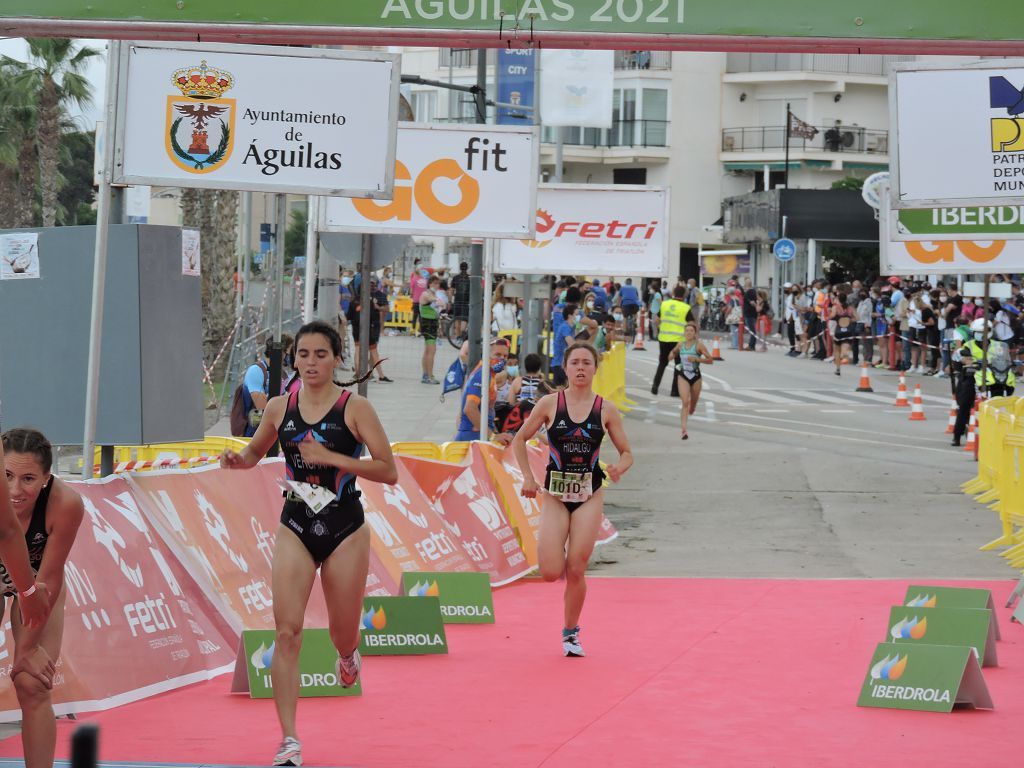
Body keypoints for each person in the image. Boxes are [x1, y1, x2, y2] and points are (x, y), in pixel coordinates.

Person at [220, 321, 398, 768]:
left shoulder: (354, 408)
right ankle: (289, 740)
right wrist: (237, 460)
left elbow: (388, 470)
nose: (312, 362)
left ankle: (347, 653)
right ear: (294, 359)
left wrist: (333, 458)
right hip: (296, 524)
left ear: (337, 358)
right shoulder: (281, 406)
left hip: (345, 528)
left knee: (342, 629)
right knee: (287, 631)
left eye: (321, 354)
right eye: (304, 354)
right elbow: (255, 452)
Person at [512, 343, 633, 657]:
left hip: (589, 494)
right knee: (551, 571)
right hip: (555, 494)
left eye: (587, 363)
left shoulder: (605, 409)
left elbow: (627, 452)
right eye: (575, 363)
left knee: (577, 568)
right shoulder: (551, 404)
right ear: (565, 368)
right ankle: (559, 556)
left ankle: (570, 632)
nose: (581, 368)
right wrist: (527, 477)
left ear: (595, 369)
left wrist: (620, 466)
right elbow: (519, 439)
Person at [2, 428, 85, 768]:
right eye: (6, 476)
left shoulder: (65, 504)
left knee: (32, 684)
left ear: (47, 478)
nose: (14, 490)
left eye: (28, 479)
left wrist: (25, 654)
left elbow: (48, 582)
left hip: (37, 587)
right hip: (25, 583)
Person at [455, 338, 512, 442]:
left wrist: (494, 433)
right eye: (497, 355)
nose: (502, 359)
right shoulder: (482, 375)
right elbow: (469, 408)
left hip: (477, 436)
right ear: (487, 354)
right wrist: (493, 436)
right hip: (473, 437)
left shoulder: (489, 374)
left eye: (505, 356)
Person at [671, 323, 713, 440]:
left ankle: (693, 407)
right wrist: (671, 355)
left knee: (693, 402)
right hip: (683, 375)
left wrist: (697, 359)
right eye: (687, 331)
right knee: (685, 402)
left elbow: (710, 360)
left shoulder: (699, 346)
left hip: (695, 376)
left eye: (691, 331)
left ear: (695, 333)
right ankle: (684, 430)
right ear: (684, 333)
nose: (688, 333)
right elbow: (674, 352)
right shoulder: (680, 344)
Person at [347, 279, 393, 383]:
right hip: (368, 329)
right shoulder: (370, 301)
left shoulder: (353, 302)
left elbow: (349, 316)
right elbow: (372, 317)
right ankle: (381, 375)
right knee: (374, 352)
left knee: (358, 351)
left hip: (356, 329)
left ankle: (359, 375)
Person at [651, 284, 692, 397]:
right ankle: (674, 391)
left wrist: (662, 328)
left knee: (662, 363)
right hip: (679, 341)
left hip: (664, 338)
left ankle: (655, 386)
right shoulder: (686, 308)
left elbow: (656, 321)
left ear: (673, 293)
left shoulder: (664, 304)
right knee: (678, 365)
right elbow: (691, 324)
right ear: (684, 295)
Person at [241, 341, 273, 437]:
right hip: (255, 431)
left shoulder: (280, 373)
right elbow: (262, 407)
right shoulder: (256, 371)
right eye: (287, 353)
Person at [417, 275, 443, 385]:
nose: (437, 286)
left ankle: (425, 374)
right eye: (435, 283)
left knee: (428, 351)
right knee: (431, 351)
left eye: (438, 284)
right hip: (427, 324)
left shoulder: (433, 294)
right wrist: (437, 300)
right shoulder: (426, 294)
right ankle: (429, 375)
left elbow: (440, 305)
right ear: (430, 283)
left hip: (432, 324)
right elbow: (431, 299)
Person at [550, 305, 578, 388]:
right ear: (570, 315)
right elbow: (572, 345)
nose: (579, 317)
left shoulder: (571, 327)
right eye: (576, 314)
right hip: (560, 365)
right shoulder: (564, 327)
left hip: (563, 364)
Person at [451, 261, 471, 340]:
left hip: (457, 300)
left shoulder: (455, 278)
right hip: (467, 301)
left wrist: (452, 298)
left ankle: (457, 336)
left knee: (457, 318)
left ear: (460, 268)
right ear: (467, 268)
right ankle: (462, 334)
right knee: (464, 318)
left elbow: (452, 291)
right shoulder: (469, 278)